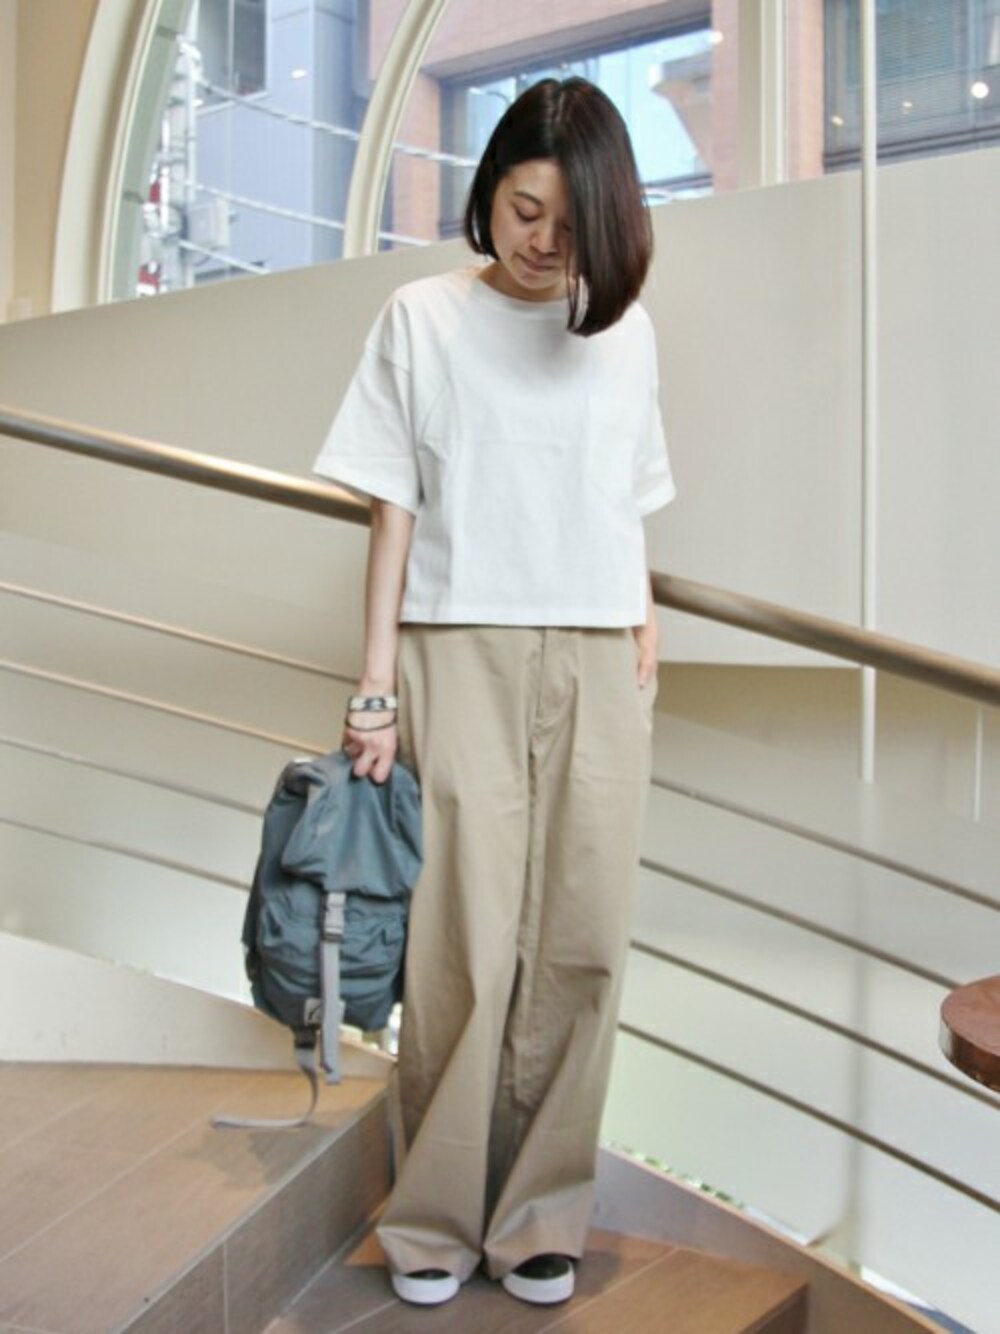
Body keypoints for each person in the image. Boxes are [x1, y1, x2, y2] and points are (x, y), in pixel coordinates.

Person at [313, 75, 675, 1309]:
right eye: (524, 210)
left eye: (570, 226)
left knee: (582, 941)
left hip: (601, 651)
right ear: (489, 193)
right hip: (456, 641)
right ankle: (431, 1221)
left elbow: (626, 491)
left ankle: (540, 1219)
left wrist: (641, 609)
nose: (541, 242)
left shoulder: (623, 331)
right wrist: (375, 684)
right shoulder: (422, 318)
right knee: (459, 942)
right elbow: (391, 507)